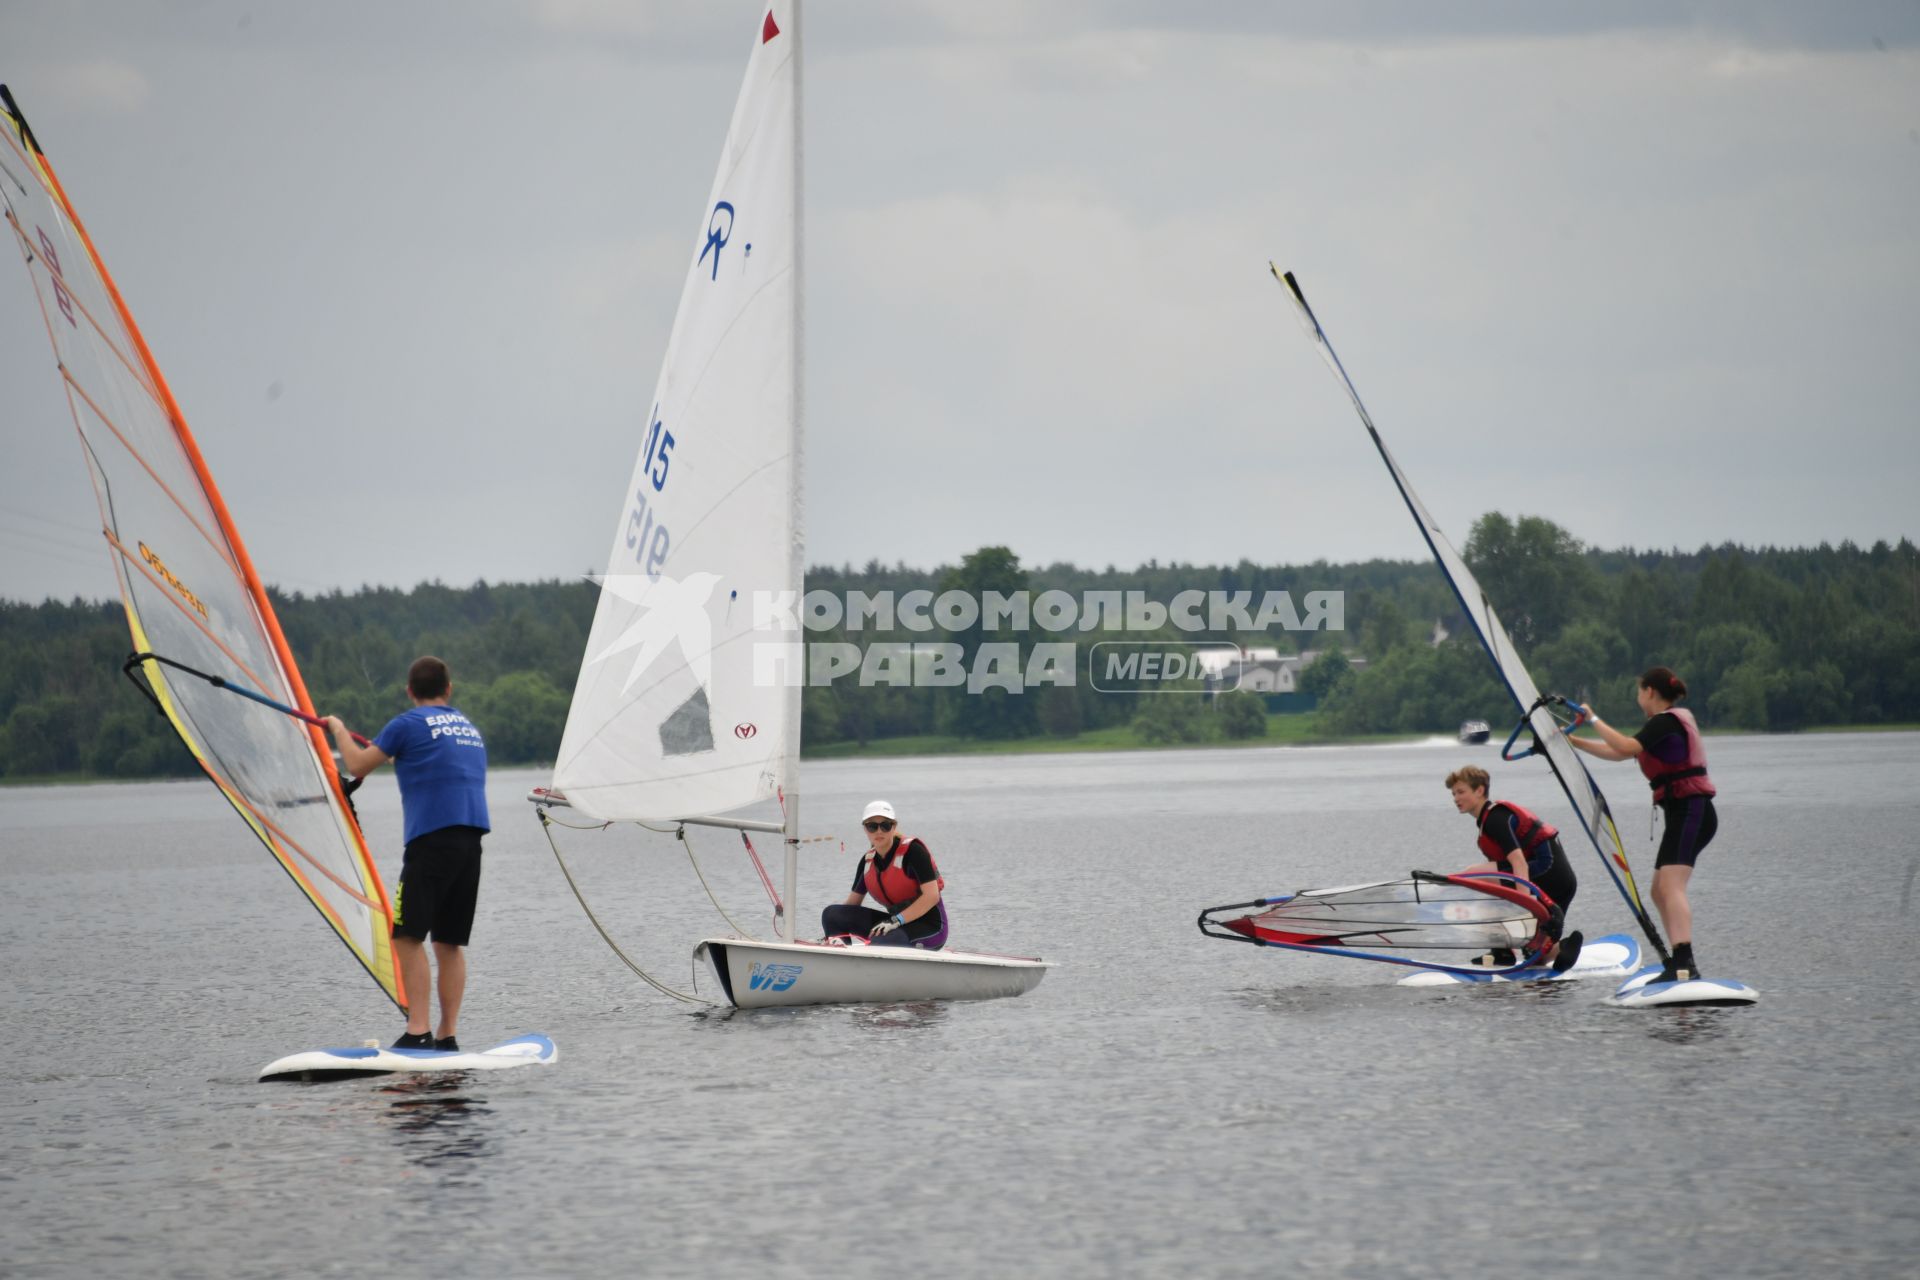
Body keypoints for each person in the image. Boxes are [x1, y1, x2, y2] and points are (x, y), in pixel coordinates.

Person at [324, 656, 489, 1050]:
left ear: (409, 691)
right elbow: (436, 763)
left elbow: (359, 763)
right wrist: (401, 756)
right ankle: (447, 1036)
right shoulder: (467, 727)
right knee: (448, 943)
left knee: (406, 936)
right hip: (470, 842)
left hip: (431, 842)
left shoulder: (406, 724)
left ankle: (418, 1031)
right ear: (448, 689)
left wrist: (338, 729)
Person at [1564, 666, 1715, 983]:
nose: (1638, 699)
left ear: (1649, 692)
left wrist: (1593, 719)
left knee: (1671, 887)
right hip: (1683, 813)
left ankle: (1685, 963)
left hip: (1692, 811)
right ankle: (1678, 959)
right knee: (1659, 891)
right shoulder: (1661, 726)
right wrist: (1573, 743)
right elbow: (1617, 754)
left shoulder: (1666, 721)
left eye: (1638, 692)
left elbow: (1626, 746)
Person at [1447, 765, 1583, 973]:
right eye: (1454, 793)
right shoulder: (1487, 822)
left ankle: (1502, 952)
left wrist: (1524, 907)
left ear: (1480, 790)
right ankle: (1562, 948)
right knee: (1535, 954)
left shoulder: (1494, 818)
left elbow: (1518, 862)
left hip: (1545, 871)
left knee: (1472, 875)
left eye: (1461, 792)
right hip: (1562, 882)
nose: (1456, 798)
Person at [820, 800, 948, 949]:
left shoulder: (913, 852)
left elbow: (932, 896)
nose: (879, 831)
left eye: (885, 826)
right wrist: (832, 931)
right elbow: (851, 905)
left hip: (930, 927)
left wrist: (896, 921)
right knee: (832, 914)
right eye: (872, 826)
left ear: (894, 827)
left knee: (881, 942)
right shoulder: (867, 862)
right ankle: (838, 955)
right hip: (894, 925)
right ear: (865, 829)